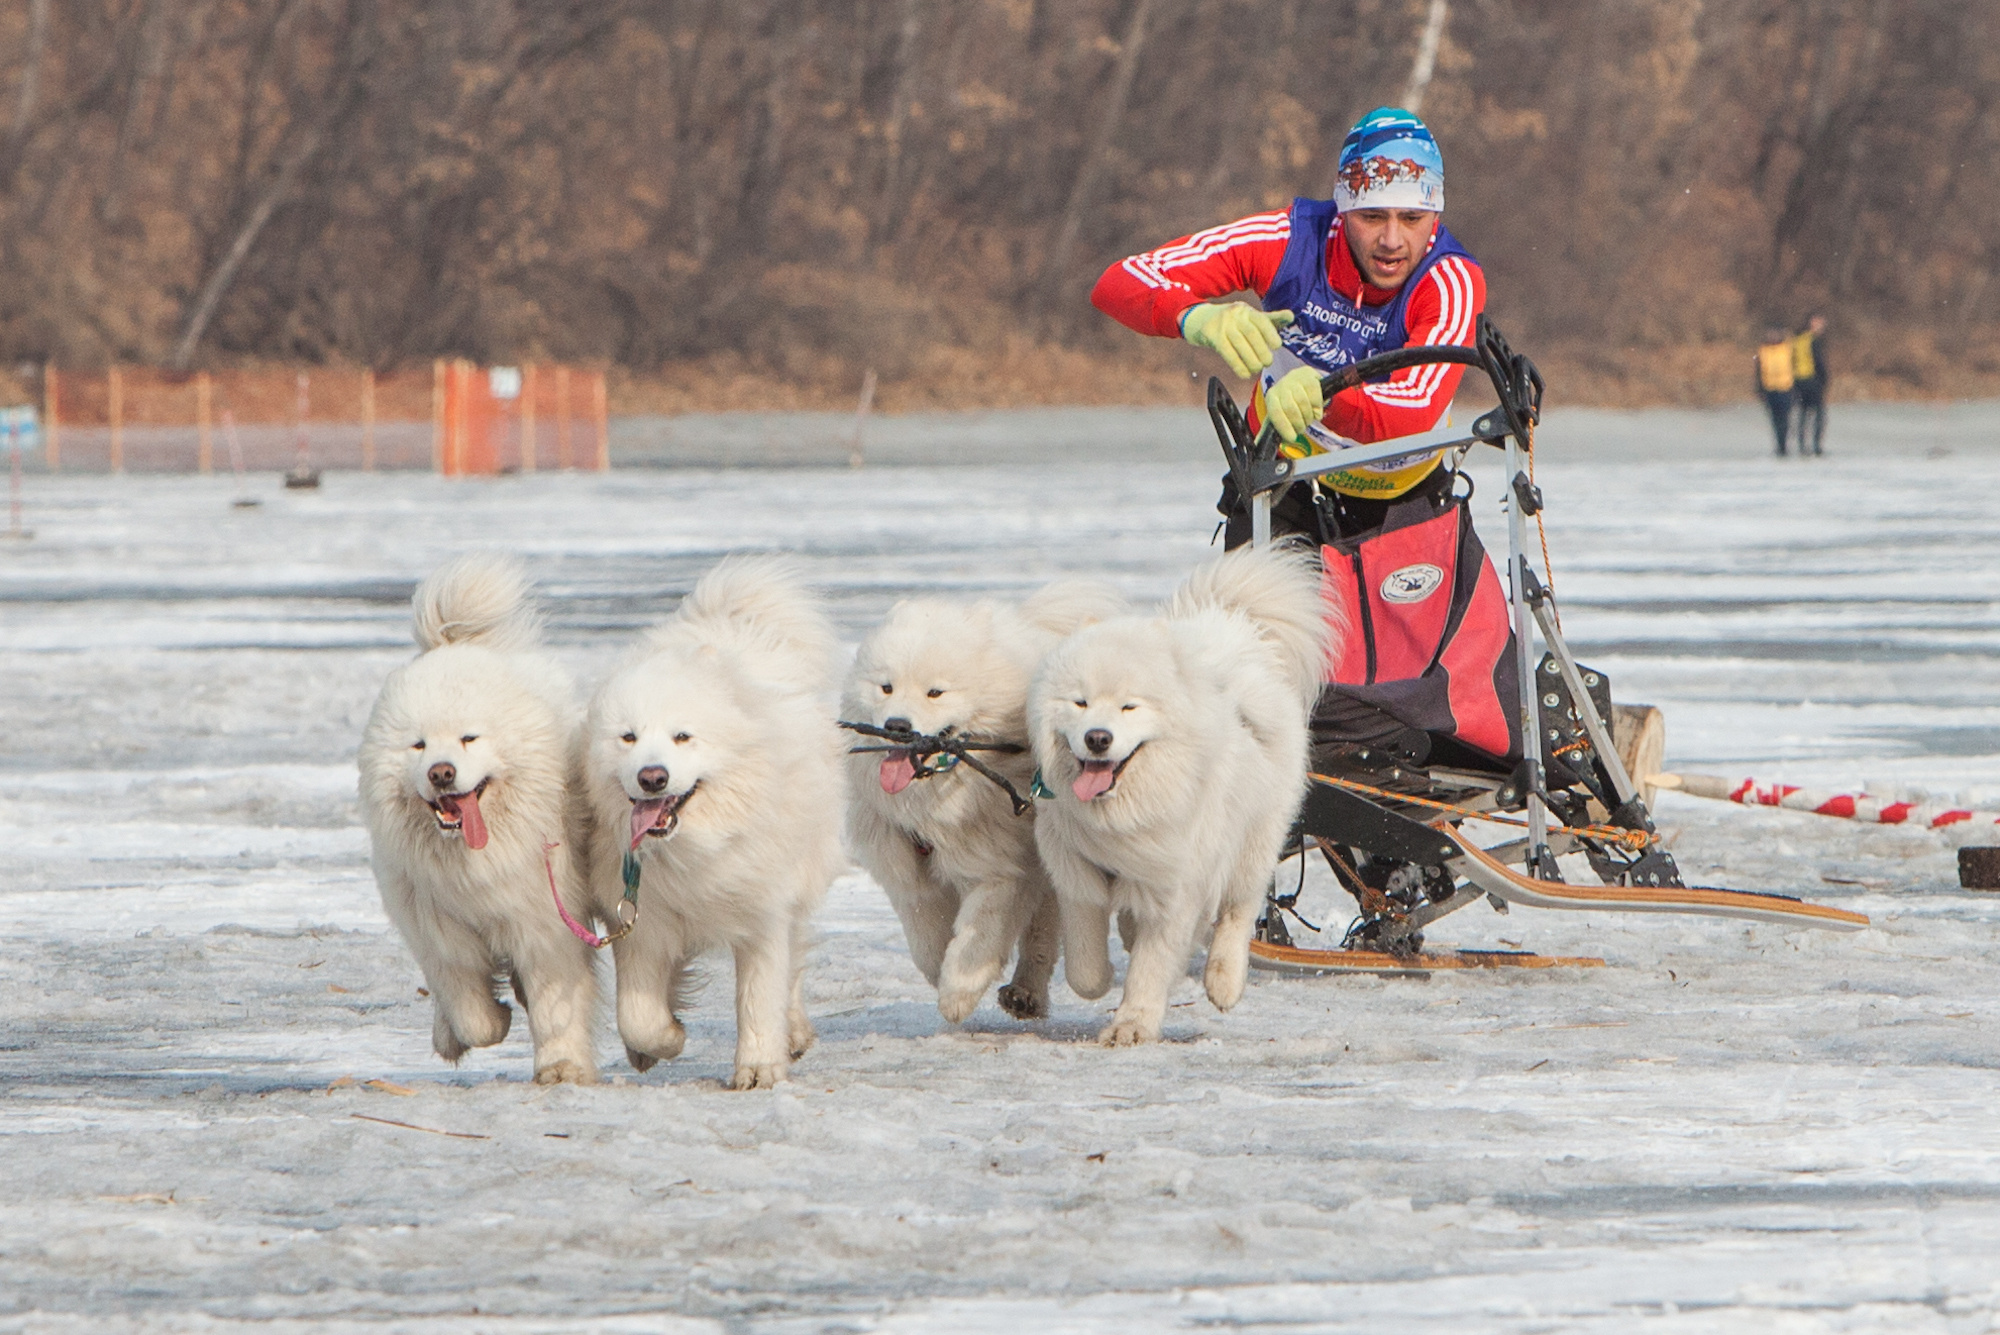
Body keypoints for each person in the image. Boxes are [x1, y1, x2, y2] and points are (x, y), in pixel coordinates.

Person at [1091, 107, 1520, 768]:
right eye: (1373, 216)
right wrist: (1195, 315)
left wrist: (1325, 392)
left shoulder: (1452, 277)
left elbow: (1412, 405)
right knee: (1245, 671)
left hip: (1398, 496)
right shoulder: (1289, 239)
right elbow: (1121, 281)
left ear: (1435, 217)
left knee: (1411, 689)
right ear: (1343, 209)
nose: (1392, 240)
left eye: (1413, 218)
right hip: (1286, 486)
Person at [1755, 326, 1797, 457]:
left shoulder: (1788, 349)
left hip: (1785, 388)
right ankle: (1779, 445)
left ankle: (1784, 445)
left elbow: (1794, 366)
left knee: (1784, 418)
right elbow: (1758, 371)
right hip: (1770, 388)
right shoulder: (1763, 351)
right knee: (1775, 419)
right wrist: (1759, 388)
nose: (1772, 337)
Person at [1791, 315, 1828, 456]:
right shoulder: (1813, 341)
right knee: (1818, 414)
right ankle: (1816, 446)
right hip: (1812, 380)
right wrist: (1824, 379)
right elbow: (1818, 362)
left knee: (1803, 414)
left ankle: (1801, 445)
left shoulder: (1797, 340)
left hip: (1798, 381)